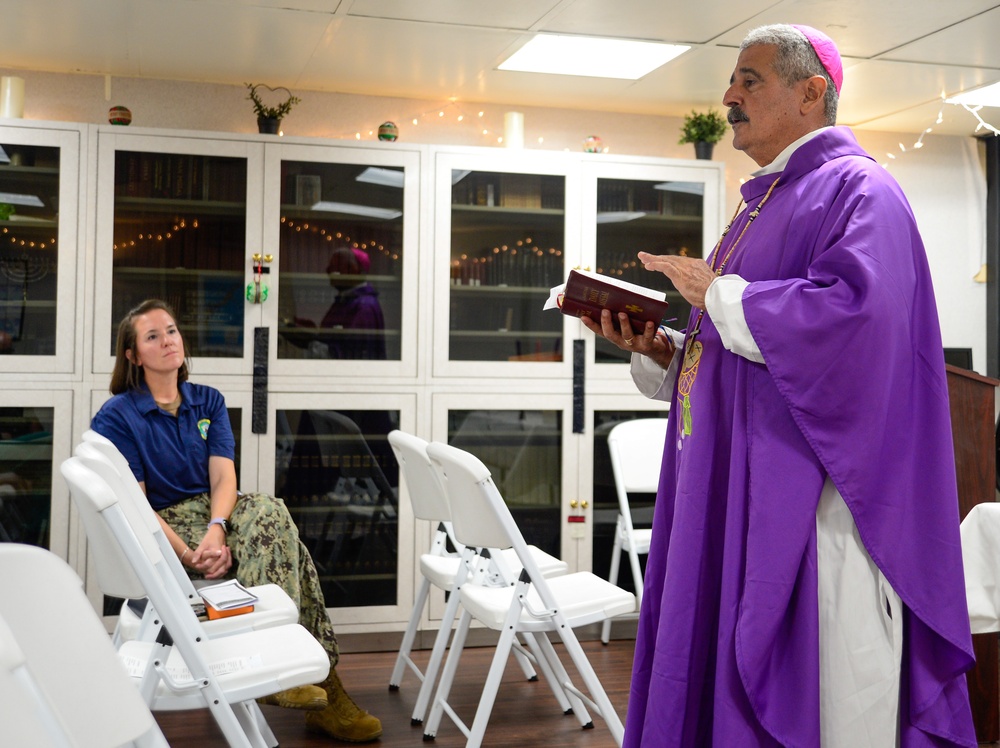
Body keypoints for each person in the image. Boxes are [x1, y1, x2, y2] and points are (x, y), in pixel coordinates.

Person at [582, 24, 977, 747]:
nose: (729, 97)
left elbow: (854, 323)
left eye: (749, 80)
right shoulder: (758, 206)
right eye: (732, 83)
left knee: (823, 699)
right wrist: (665, 349)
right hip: (729, 488)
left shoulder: (862, 191)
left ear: (811, 92)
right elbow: (736, 355)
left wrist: (720, 296)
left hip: (813, 504)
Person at [90, 299, 382, 744]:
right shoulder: (119, 415)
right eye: (152, 337)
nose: (168, 341)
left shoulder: (207, 400)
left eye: (171, 330)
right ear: (132, 355)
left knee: (270, 510)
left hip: (213, 511)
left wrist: (217, 528)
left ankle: (291, 667)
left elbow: (224, 476)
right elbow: (138, 507)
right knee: (294, 552)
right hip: (163, 524)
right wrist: (190, 553)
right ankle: (314, 679)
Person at [317, 247, 387, 360]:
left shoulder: (365, 307)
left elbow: (352, 357)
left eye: (334, 267)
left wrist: (310, 343)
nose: (328, 270)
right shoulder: (346, 300)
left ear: (354, 270)